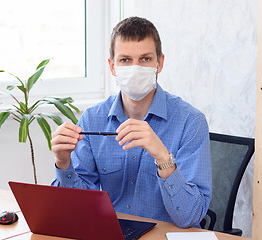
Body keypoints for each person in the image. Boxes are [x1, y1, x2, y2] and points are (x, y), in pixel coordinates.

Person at [51, 16, 211, 228]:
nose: (135, 68)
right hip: (113, 232)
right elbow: (76, 209)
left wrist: (162, 157)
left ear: (159, 63)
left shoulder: (191, 122)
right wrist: (63, 163)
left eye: (145, 59)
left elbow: (191, 217)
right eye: (125, 60)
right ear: (112, 66)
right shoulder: (92, 118)